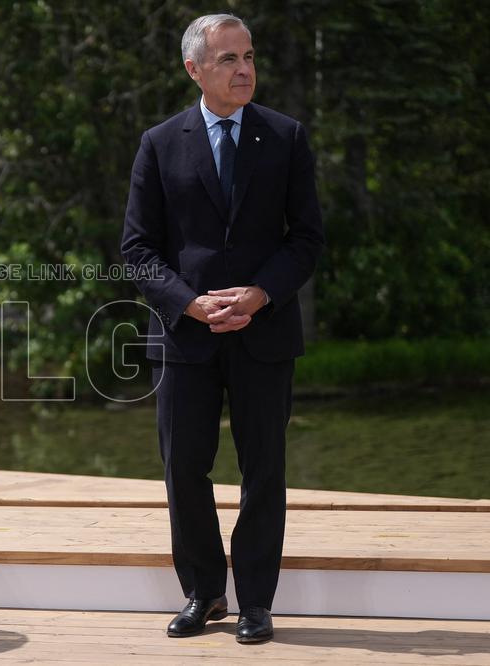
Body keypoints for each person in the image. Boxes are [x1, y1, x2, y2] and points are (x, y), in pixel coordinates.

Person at [120, 14, 325, 644]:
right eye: (229, 59)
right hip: (187, 337)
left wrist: (261, 294)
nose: (244, 69)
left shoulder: (286, 138)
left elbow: (308, 239)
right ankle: (204, 593)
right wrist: (189, 303)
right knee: (186, 468)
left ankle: (257, 601)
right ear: (195, 70)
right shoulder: (160, 143)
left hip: (265, 333)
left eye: (249, 56)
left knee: (264, 468)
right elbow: (136, 249)